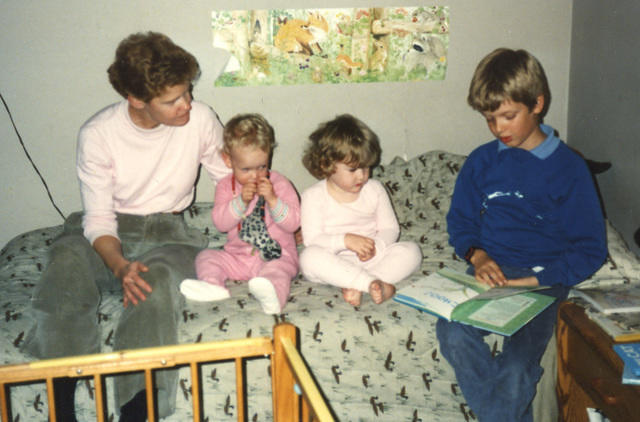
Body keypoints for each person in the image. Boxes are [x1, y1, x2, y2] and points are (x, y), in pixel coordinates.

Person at [21, 32, 229, 421]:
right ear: (136, 100)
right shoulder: (97, 134)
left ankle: (138, 410)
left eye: (188, 92)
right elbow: (98, 218)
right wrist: (118, 266)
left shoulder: (199, 119)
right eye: (172, 100)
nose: (187, 105)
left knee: (152, 285)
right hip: (110, 230)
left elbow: (229, 180)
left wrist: (271, 213)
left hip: (169, 232)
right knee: (65, 262)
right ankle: (62, 405)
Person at [437, 48, 608, 421]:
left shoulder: (569, 168)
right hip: (491, 273)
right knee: (452, 332)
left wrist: (532, 280)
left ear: (537, 104)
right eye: (489, 119)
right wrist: (478, 257)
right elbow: (461, 223)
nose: (499, 128)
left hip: (542, 283)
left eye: (508, 116)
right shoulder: (482, 161)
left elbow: (591, 249)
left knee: (516, 368)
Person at [180, 114, 300, 314]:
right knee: (206, 256)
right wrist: (240, 202)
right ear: (228, 160)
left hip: (275, 255)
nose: (256, 175)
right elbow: (221, 223)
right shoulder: (226, 186)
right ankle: (213, 286)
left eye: (262, 166)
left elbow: (293, 224)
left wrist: (273, 200)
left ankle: (273, 298)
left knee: (277, 270)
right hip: (238, 257)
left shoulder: (279, 183)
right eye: (246, 169)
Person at [299, 114, 422, 306]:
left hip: (373, 259)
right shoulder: (313, 196)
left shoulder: (374, 189)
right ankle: (368, 283)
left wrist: (376, 246)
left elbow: (391, 229)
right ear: (327, 165)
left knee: (412, 251)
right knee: (309, 257)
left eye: (366, 168)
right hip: (334, 262)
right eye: (352, 169)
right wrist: (345, 241)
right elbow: (312, 239)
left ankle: (368, 283)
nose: (362, 176)